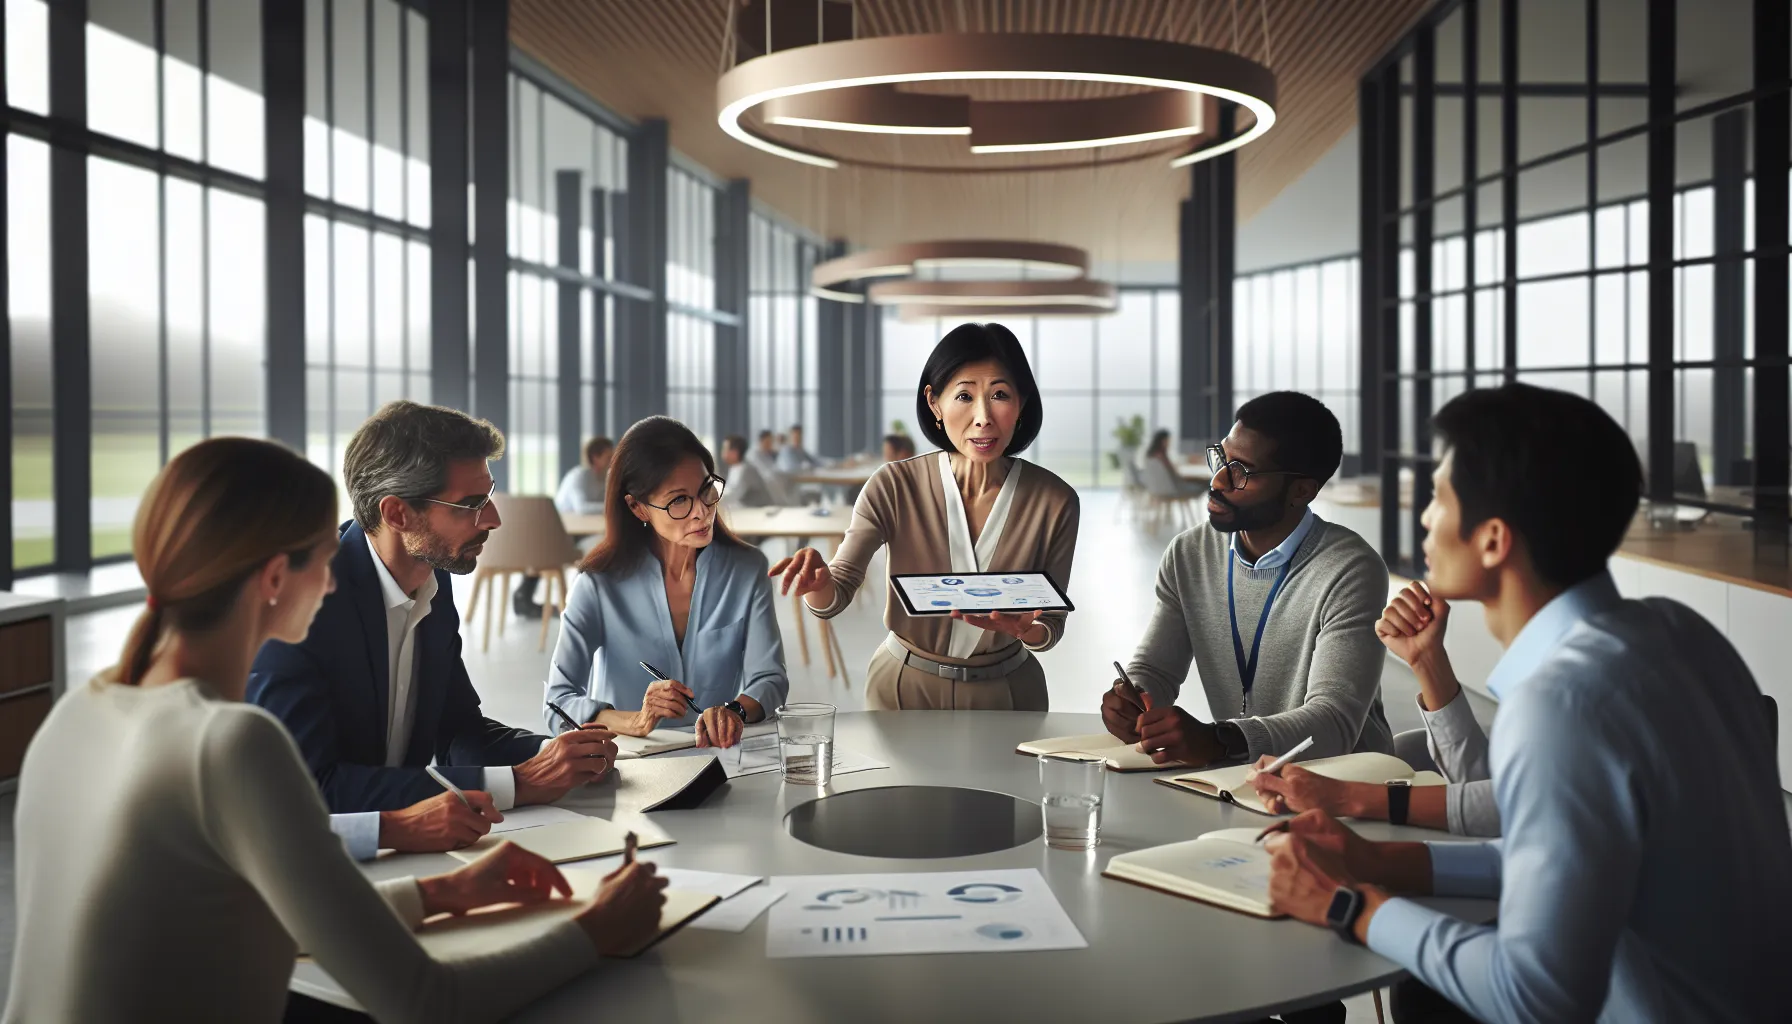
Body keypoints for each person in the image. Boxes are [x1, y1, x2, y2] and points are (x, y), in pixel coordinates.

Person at [4, 437, 666, 1024]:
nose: (332, 585)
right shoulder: (230, 744)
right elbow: (428, 1003)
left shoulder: (74, 713)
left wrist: (442, 892)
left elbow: (254, 914)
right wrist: (596, 929)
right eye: (325, 560)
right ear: (274, 578)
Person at [1263, 384, 1792, 1024]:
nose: (1425, 518)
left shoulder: (1561, 702)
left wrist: (1348, 905)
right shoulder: (1681, 632)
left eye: (1440, 498)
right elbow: (1545, 854)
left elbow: (1537, 999)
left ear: (1493, 540)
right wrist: (1372, 859)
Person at [249, 401, 618, 846]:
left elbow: (458, 730)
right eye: (470, 505)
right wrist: (518, 783)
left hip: (410, 851)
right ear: (397, 514)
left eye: (488, 496)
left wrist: (557, 754)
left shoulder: (432, 580)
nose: (493, 519)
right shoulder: (303, 606)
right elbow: (312, 789)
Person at [773, 322, 1080, 711]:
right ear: (935, 403)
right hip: (902, 686)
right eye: (964, 395)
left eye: (1000, 395)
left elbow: (1050, 623)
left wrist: (1026, 629)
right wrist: (818, 584)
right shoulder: (893, 486)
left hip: (1010, 689)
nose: (983, 417)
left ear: (1021, 403)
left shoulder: (1055, 500)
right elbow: (837, 593)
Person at [1102, 392, 1393, 771]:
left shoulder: (1350, 569)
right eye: (1221, 458)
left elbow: (1334, 723)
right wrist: (1134, 696)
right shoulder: (1188, 554)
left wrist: (1221, 740)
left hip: (1347, 781)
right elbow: (1156, 670)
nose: (1218, 480)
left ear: (1302, 491)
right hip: (1245, 775)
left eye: (1242, 471)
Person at [545, 416, 788, 747]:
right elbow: (557, 701)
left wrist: (734, 712)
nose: (701, 511)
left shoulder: (747, 569)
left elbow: (770, 678)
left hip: (717, 760)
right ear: (638, 507)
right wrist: (635, 720)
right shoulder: (597, 584)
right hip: (628, 764)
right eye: (679, 501)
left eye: (706, 491)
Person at [1248, 579, 1500, 837]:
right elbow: (1484, 800)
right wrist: (1426, 658)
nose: (1425, 553)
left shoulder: (1528, 693)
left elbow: (1505, 812)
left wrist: (1343, 796)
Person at [719, 433, 787, 508]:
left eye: (725, 449)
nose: (722, 452)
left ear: (735, 452)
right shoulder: (735, 468)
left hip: (762, 510)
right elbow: (729, 490)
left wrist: (711, 499)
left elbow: (733, 495)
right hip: (749, 510)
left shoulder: (746, 470)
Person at [555, 436, 614, 516]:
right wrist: (613, 508)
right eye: (608, 458)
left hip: (582, 520)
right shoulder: (579, 476)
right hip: (565, 520)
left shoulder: (603, 477)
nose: (612, 462)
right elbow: (582, 508)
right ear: (595, 458)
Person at [1139, 428, 1201, 496]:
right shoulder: (1161, 457)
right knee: (1203, 486)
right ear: (1163, 441)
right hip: (1172, 490)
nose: (1169, 443)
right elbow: (1173, 474)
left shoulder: (1150, 457)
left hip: (1156, 490)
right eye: (1168, 441)